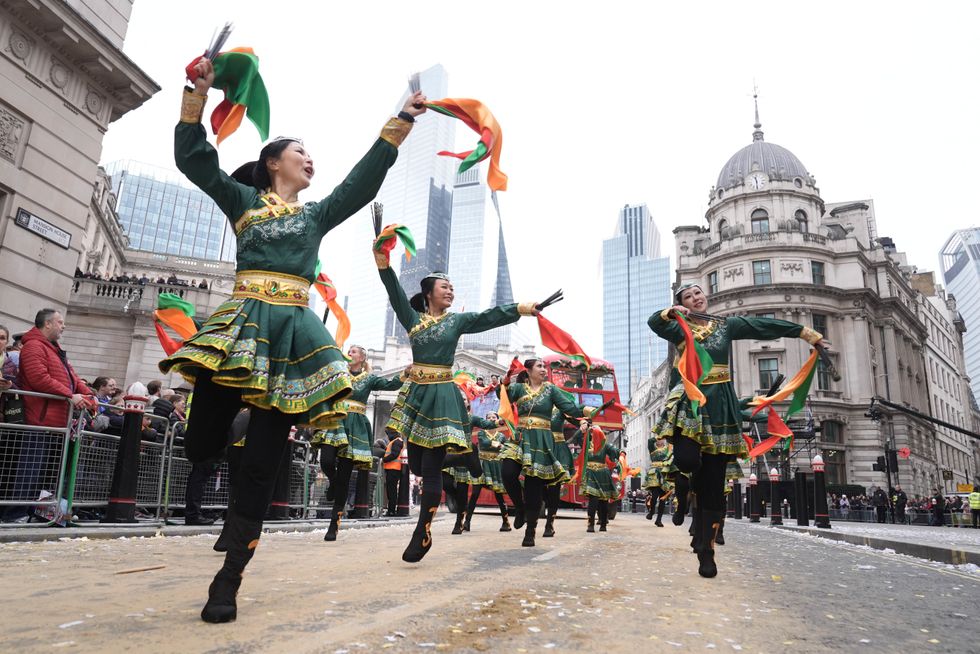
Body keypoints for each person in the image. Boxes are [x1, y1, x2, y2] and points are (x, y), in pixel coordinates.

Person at [159, 57, 424, 623]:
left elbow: (360, 182)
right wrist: (196, 97)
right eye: (299, 151)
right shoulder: (244, 201)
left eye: (310, 153)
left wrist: (399, 122)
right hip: (238, 328)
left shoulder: (316, 216)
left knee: (261, 465)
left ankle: (229, 576)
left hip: (293, 340)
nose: (309, 159)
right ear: (272, 163)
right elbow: (192, 158)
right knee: (201, 443)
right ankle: (226, 434)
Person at [648, 283, 827, 578]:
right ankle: (691, 484)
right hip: (691, 400)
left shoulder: (725, 325)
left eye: (698, 293)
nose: (696, 298)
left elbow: (760, 326)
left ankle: (706, 550)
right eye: (688, 296)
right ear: (682, 303)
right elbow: (655, 322)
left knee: (715, 488)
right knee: (688, 461)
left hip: (721, 404)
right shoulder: (679, 328)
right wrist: (670, 312)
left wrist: (804, 332)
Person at [376, 256, 541, 562]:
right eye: (444, 287)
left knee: (429, 468)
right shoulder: (413, 320)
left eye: (452, 287)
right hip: (416, 396)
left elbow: (488, 316)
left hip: (442, 396)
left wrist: (521, 308)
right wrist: (383, 263)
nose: (450, 291)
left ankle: (422, 532)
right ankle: (463, 455)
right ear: (429, 293)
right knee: (415, 466)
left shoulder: (455, 321)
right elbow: (395, 292)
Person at [5, 309, 94, 522]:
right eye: (60, 322)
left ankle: (32, 512)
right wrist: (70, 395)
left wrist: (88, 395)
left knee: (44, 472)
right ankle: (15, 513)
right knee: (29, 470)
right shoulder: (34, 347)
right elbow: (39, 379)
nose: (63, 326)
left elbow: (72, 376)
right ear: (47, 324)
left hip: (55, 421)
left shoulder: (55, 349)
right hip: (40, 420)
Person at [311, 345, 402, 541]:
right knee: (326, 461)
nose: (349, 354)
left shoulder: (369, 378)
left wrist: (406, 373)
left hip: (357, 425)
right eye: (349, 351)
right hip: (336, 421)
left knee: (345, 475)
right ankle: (332, 483)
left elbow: (391, 385)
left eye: (353, 351)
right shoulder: (338, 372)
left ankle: (334, 524)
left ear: (361, 358)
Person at [500, 358, 595, 546]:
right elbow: (502, 396)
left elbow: (569, 407)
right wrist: (504, 384)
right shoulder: (519, 389)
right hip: (519, 438)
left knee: (533, 488)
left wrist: (586, 411)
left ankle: (530, 532)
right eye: (540, 366)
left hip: (541, 441)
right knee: (507, 472)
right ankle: (520, 508)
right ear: (528, 370)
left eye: (544, 367)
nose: (544, 370)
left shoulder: (551, 390)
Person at [462, 420, 512, 532]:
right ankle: (467, 522)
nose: (490, 419)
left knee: (498, 495)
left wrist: (500, 445)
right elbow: (484, 443)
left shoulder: (501, 435)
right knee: (475, 494)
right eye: (488, 417)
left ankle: (506, 522)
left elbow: (507, 447)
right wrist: (498, 445)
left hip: (495, 466)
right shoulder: (481, 433)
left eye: (493, 417)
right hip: (482, 465)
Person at [571, 423, 620, 533]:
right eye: (592, 432)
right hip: (591, 474)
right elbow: (577, 437)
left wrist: (622, 454)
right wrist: (582, 428)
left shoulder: (605, 445)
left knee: (603, 501)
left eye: (595, 432)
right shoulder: (586, 444)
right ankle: (590, 524)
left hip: (602, 474)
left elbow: (616, 452)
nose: (593, 434)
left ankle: (603, 524)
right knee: (593, 500)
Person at [644, 435, 675, 527]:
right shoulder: (652, 449)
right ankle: (652, 510)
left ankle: (659, 520)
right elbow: (650, 441)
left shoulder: (667, 449)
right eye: (658, 440)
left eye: (662, 440)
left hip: (665, 474)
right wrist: (659, 436)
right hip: (654, 475)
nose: (660, 441)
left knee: (662, 498)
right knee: (654, 496)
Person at [382, 432, 404, 516]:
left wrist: (384, 459)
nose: (388, 436)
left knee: (391, 491)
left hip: (393, 468)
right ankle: (391, 510)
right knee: (391, 490)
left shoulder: (397, 441)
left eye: (389, 434)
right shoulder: (396, 441)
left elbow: (394, 454)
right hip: (392, 469)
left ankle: (391, 511)